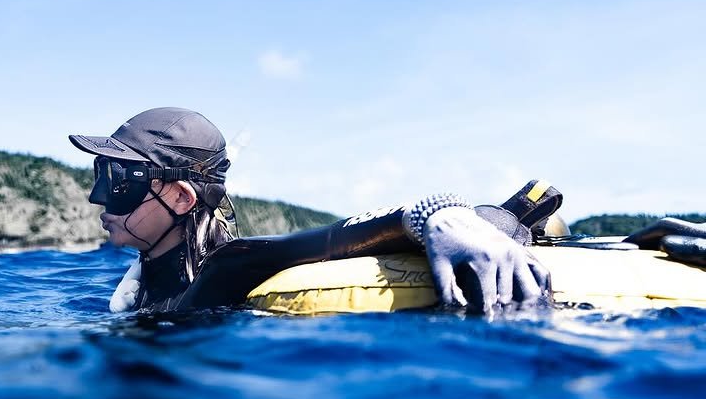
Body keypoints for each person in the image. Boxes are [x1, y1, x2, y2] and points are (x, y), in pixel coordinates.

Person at [70, 107, 552, 313]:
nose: (99, 198)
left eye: (119, 183)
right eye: (101, 174)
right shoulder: (151, 276)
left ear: (180, 198)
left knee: (496, 224)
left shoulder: (224, 268)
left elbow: (332, 237)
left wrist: (437, 214)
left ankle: (520, 212)